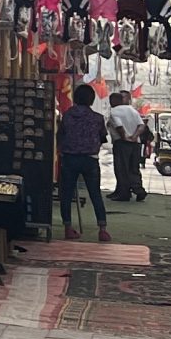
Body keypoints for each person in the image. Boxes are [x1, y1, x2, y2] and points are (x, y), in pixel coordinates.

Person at [58, 83, 111, 241]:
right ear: (92, 99)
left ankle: (68, 227)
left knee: (66, 194)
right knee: (95, 194)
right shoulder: (97, 118)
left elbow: (60, 135)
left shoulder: (67, 116)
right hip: (90, 159)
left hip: (69, 158)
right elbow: (102, 138)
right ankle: (102, 229)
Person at [108, 89, 147, 202]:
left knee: (122, 168)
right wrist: (134, 136)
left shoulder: (114, 111)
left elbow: (119, 126)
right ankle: (138, 190)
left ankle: (124, 193)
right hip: (136, 144)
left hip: (122, 143)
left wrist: (125, 137)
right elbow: (141, 125)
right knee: (134, 168)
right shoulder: (132, 110)